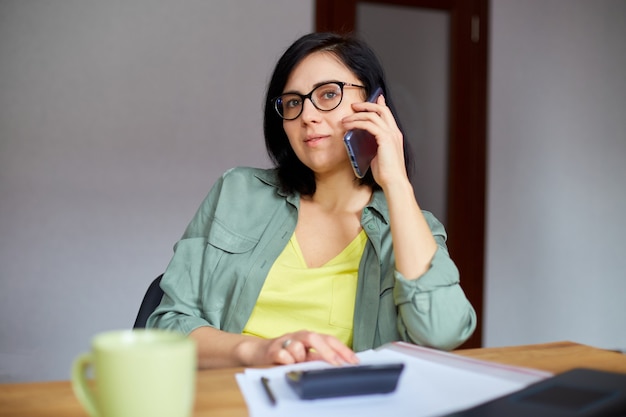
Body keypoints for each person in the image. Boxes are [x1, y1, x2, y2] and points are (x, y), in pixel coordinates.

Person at [147, 32, 476, 368]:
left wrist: (396, 182)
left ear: (375, 105)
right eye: (293, 102)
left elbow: (442, 332)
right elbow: (166, 326)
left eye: (328, 94)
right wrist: (257, 351)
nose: (307, 115)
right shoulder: (238, 192)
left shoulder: (411, 228)